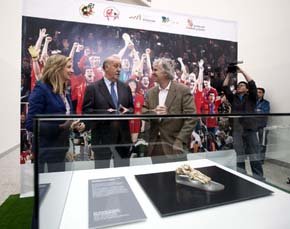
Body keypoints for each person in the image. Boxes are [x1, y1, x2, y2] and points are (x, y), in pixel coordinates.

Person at [25, 54, 85, 173]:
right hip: (45, 152)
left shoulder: (64, 90)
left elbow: (66, 117)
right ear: (57, 68)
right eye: (68, 67)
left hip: (61, 150)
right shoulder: (41, 89)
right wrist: (60, 127)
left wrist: (74, 124)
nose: (72, 70)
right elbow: (31, 124)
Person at [82, 55, 134, 168]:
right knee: (101, 174)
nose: (119, 69)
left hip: (123, 140)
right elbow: (87, 111)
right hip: (102, 139)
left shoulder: (125, 87)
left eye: (120, 66)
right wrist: (105, 112)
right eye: (116, 66)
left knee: (124, 173)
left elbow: (132, 108)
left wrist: (128, 111)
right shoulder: (93, 88)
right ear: (106, 67)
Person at [142, 57, 197, 163]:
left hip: (175, 144)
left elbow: (191, 118)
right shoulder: (150, 92)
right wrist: (153, 112)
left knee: (176, 178)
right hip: (155, 146)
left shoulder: (183, 90)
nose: (152, 73)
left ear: (166, 72)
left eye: (155, 70)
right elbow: (143, 112)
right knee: (157, 178)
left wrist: (180, 140)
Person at [223, 66, 264, 180]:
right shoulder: (233, 98)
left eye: (242, 85)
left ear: (246, 89)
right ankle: (241, 177)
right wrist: (229, 74)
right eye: (238, 85)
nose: (239, 86)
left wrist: (241, 71)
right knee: (239, 156)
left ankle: (258, 178)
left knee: (254, 155)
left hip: (250, 130)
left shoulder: (251, 97)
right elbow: (225, 87)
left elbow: (252, 83)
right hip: (237, 130)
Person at [255, 87, 270, 163]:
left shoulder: (266, 103)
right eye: (257, 92)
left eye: (260, 92)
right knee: (253, 143)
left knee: (262, 143)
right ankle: (254, 158)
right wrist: (258, 110)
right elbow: (250, 112)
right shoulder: (253, 102)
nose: (258, 93)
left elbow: (264, 113)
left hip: (262, 126)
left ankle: (261, 159)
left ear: (263, 94)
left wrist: (256, 111)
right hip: (253, 126)